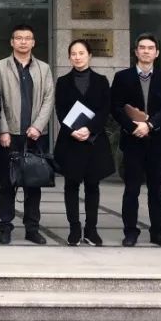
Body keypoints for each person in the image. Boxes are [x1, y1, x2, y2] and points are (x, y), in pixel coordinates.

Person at [0, 25, 54, 244]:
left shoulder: (44, 68)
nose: (23, 42)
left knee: (34, 184)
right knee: (7, 184)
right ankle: (5, 226)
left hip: (36, 135)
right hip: (10, 134)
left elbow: (48, 99)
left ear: (33, 42)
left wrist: (38, 126)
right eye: (19, 38)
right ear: (12, 42)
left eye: (28, 38)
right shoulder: (0, 67)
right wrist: (3, 129)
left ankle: (32, 228)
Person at [111, 33, 161, 248]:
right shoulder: (122, 77)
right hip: (132, 141)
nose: (146, 51)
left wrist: (150, 125)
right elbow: (116, 107)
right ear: (136, 52)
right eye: (142, 47)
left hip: (157, 141)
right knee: (131, 190)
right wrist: (133, 127)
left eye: (150, 48)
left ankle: (158, 232)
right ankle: (130, 231)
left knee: (156, 190)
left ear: (157, 53)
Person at [53, 39, 113, 246]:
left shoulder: (101, 81)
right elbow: (60, 110)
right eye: (73, 54)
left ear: (89, 56)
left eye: (81, 53)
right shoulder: (62, 82)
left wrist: (90, 129)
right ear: (69, 57)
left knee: (92, 186)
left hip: (94, 141)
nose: (77, 57)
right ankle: (74, 228)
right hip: (71, 141)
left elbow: (105, 109)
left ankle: (91, 229)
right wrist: (72, 130)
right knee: (71, 185)